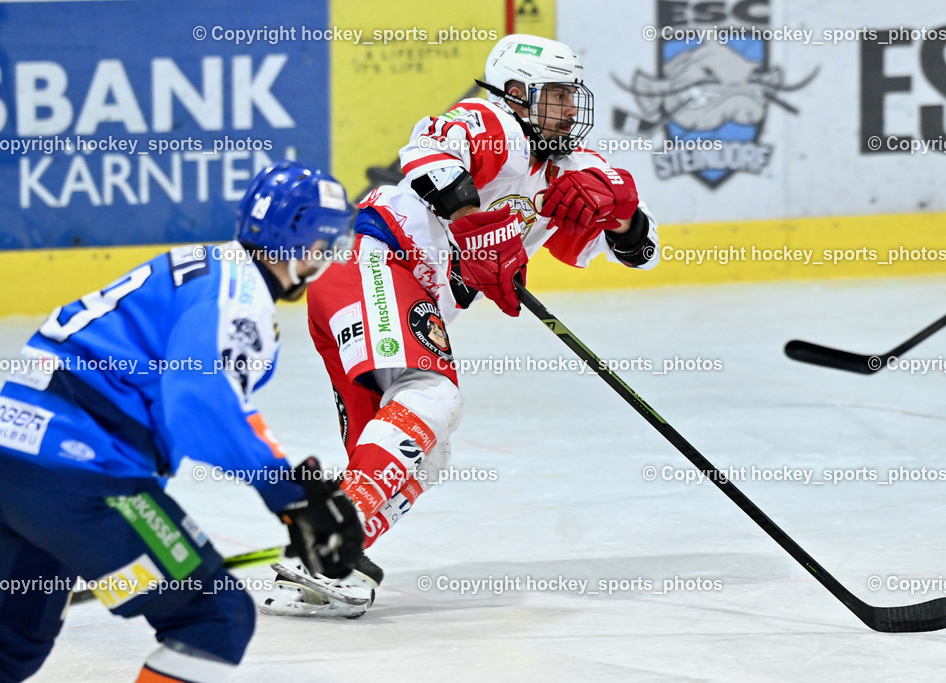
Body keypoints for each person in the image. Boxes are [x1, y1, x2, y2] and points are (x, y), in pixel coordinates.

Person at [261, 34, 661, 618]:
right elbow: (425, 152)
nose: (569, 108)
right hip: (375, 264)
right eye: (555, 95)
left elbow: (641, 253)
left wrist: (623, 218)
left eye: (571, 95)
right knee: (433, 395)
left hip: (395, 295)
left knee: (427, 454)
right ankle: (329, 538)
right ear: (516, 94)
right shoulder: (491, 124)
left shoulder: (572, 170)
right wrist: (474, 224)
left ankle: (328, 559)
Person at [0, 162, 365, 682]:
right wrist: (288, 493)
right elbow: (199, 400)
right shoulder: (239, 295)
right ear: (301, 241)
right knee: (214, 618)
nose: (326, 257)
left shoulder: (206, 267)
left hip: (2, 465)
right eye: (325, 243)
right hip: (85, 480)